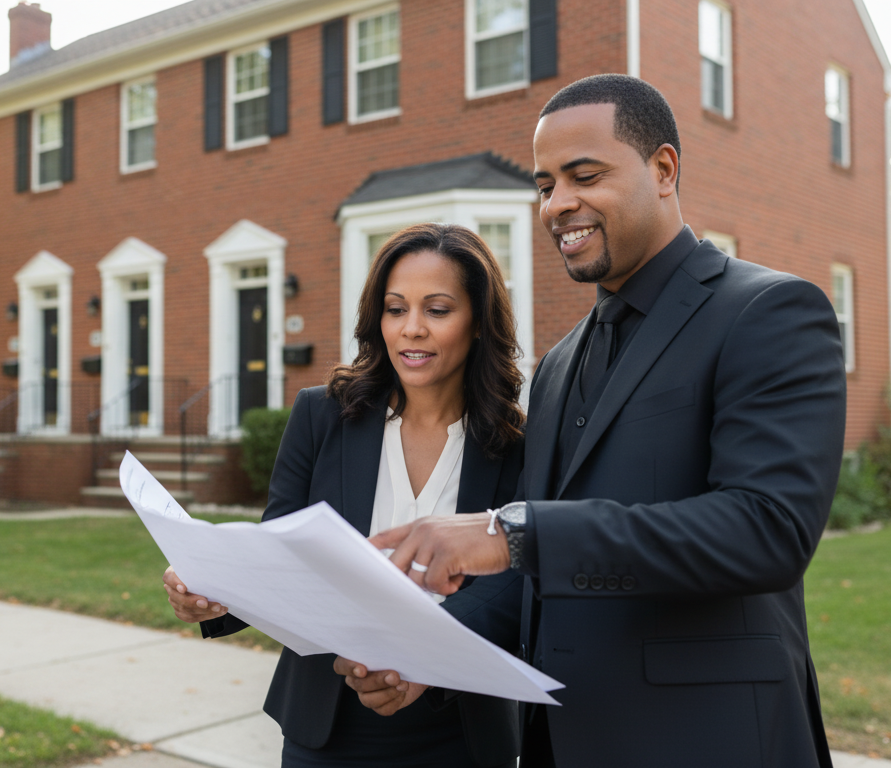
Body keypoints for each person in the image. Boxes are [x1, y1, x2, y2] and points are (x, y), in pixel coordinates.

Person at [359, 74, 847, 767]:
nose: (558, 204)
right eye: (544, 184)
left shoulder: (767, 312)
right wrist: (425, 655)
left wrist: (512, 531)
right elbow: (538, 577)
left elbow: (766, 529)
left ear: (664, 169)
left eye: (583, 176)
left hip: (714, 741)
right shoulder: (557, 366)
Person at [163, 222, 527, 768]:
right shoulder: (322, 415)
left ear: (478, 321)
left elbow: (521, 582)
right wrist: (213, 592)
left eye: (438, 310)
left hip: (460, 730)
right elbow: (278, 552)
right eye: (396, 308)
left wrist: (424, 662)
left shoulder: (518, 442)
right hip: (327, 723)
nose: (412, 330)